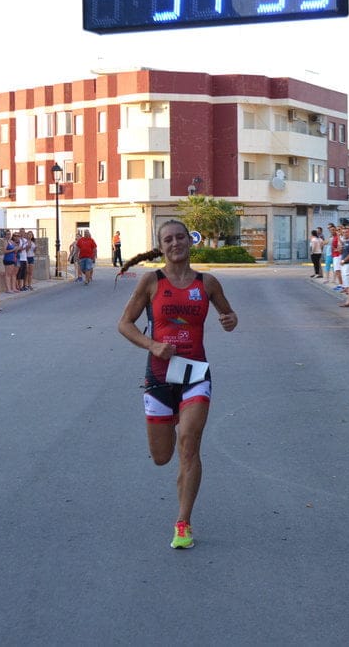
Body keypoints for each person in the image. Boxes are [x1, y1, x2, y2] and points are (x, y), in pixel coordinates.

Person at [117, 220, 238, 550]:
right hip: (158, 376)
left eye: (180, 237)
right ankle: (170, 419)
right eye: (168, 239)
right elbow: (124, 324)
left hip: (196, 373)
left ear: (189, 241)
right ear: (161, 245)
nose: (175, 243)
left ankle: (183, 523)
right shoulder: (151, 281)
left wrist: (229, 320)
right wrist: (152, 345)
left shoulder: (207, 283)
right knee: (162, 456)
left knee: (189, 444)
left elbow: (229, 317)